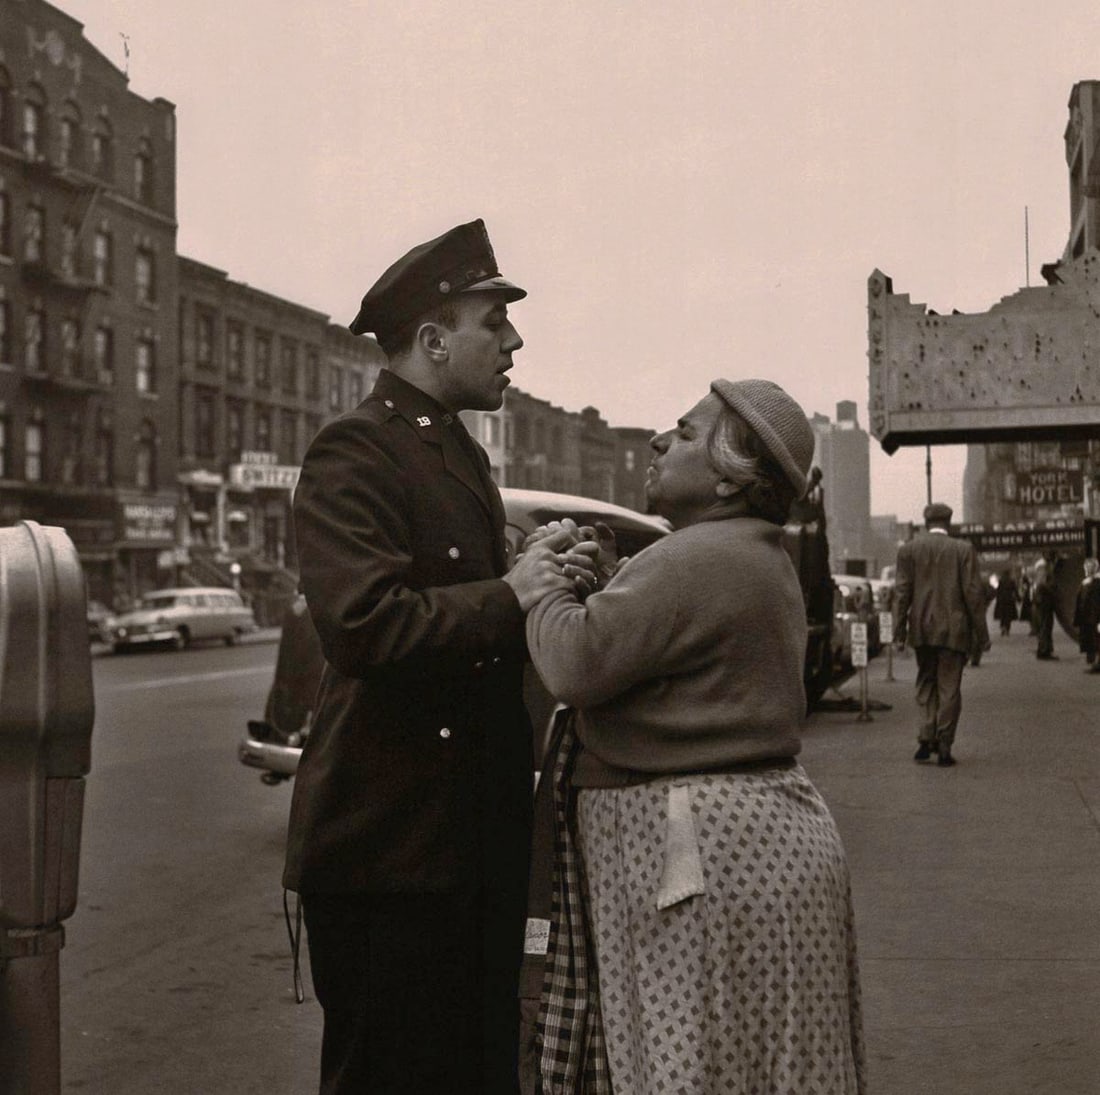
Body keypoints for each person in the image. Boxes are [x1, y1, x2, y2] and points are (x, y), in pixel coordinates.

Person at [283, 218, 596, 1095]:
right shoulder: (357, 448)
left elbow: (464, 602)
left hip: (464, 844)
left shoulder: (455, 449)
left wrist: (540, 569)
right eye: (495, 322)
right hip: (391, 855)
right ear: (432, 339)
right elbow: (363, 625)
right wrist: (512, 593)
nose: (514, 341)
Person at [524, 379, 866, 1094]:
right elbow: (662, 645)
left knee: (693, 1062)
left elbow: (575, 663)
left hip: (697, 859)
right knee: (758, 1063)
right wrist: (606, 588)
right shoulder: (747, 551)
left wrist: (541, 583)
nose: (658, 440)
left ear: (729, 477)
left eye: (683, 433)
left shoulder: (695, 556)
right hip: (756, 847)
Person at [894, 502, 990, 767]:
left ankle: (926, 738)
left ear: (926, 524)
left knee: (926, 681)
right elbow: (974, 595)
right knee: (949, 687)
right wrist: (982, 635)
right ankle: (945, 744)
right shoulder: (963, 550)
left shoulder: (909, 550)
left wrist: (898, 631)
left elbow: (901, 594)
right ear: (948, 523)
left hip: (922, 629)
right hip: (954, 631)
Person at [1072, 557, 1100, 671]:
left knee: (1096, 640)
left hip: (1094, 618)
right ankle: (1094, 662)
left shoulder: (1096, 583)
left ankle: (1097, 664)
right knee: (1091, 640)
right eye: (1086, 567)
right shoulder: (1086, 582)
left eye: (1089, 567)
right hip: (1087, 618)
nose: (1087, 569)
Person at [1033, 558, 1059, 660]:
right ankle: (1044, 651)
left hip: (1043, 603)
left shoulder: (1043, 570)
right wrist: (1052, 590)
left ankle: (1044, 650)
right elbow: (1042, 585)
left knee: (1045, 627)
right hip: (1044, 604)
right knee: (1045, 627)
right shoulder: (1043, 570)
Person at [993, 569, 1019, 637]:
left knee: (1002, 615)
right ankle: (1007, 629)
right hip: (1009, 600)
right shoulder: (1012, 581)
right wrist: (1018, 598)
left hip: (1002, 601)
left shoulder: (1001, 581)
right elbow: (1015, 590)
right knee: (1008, 616)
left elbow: (998, 591)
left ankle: (1003, 628)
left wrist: (998, 599)